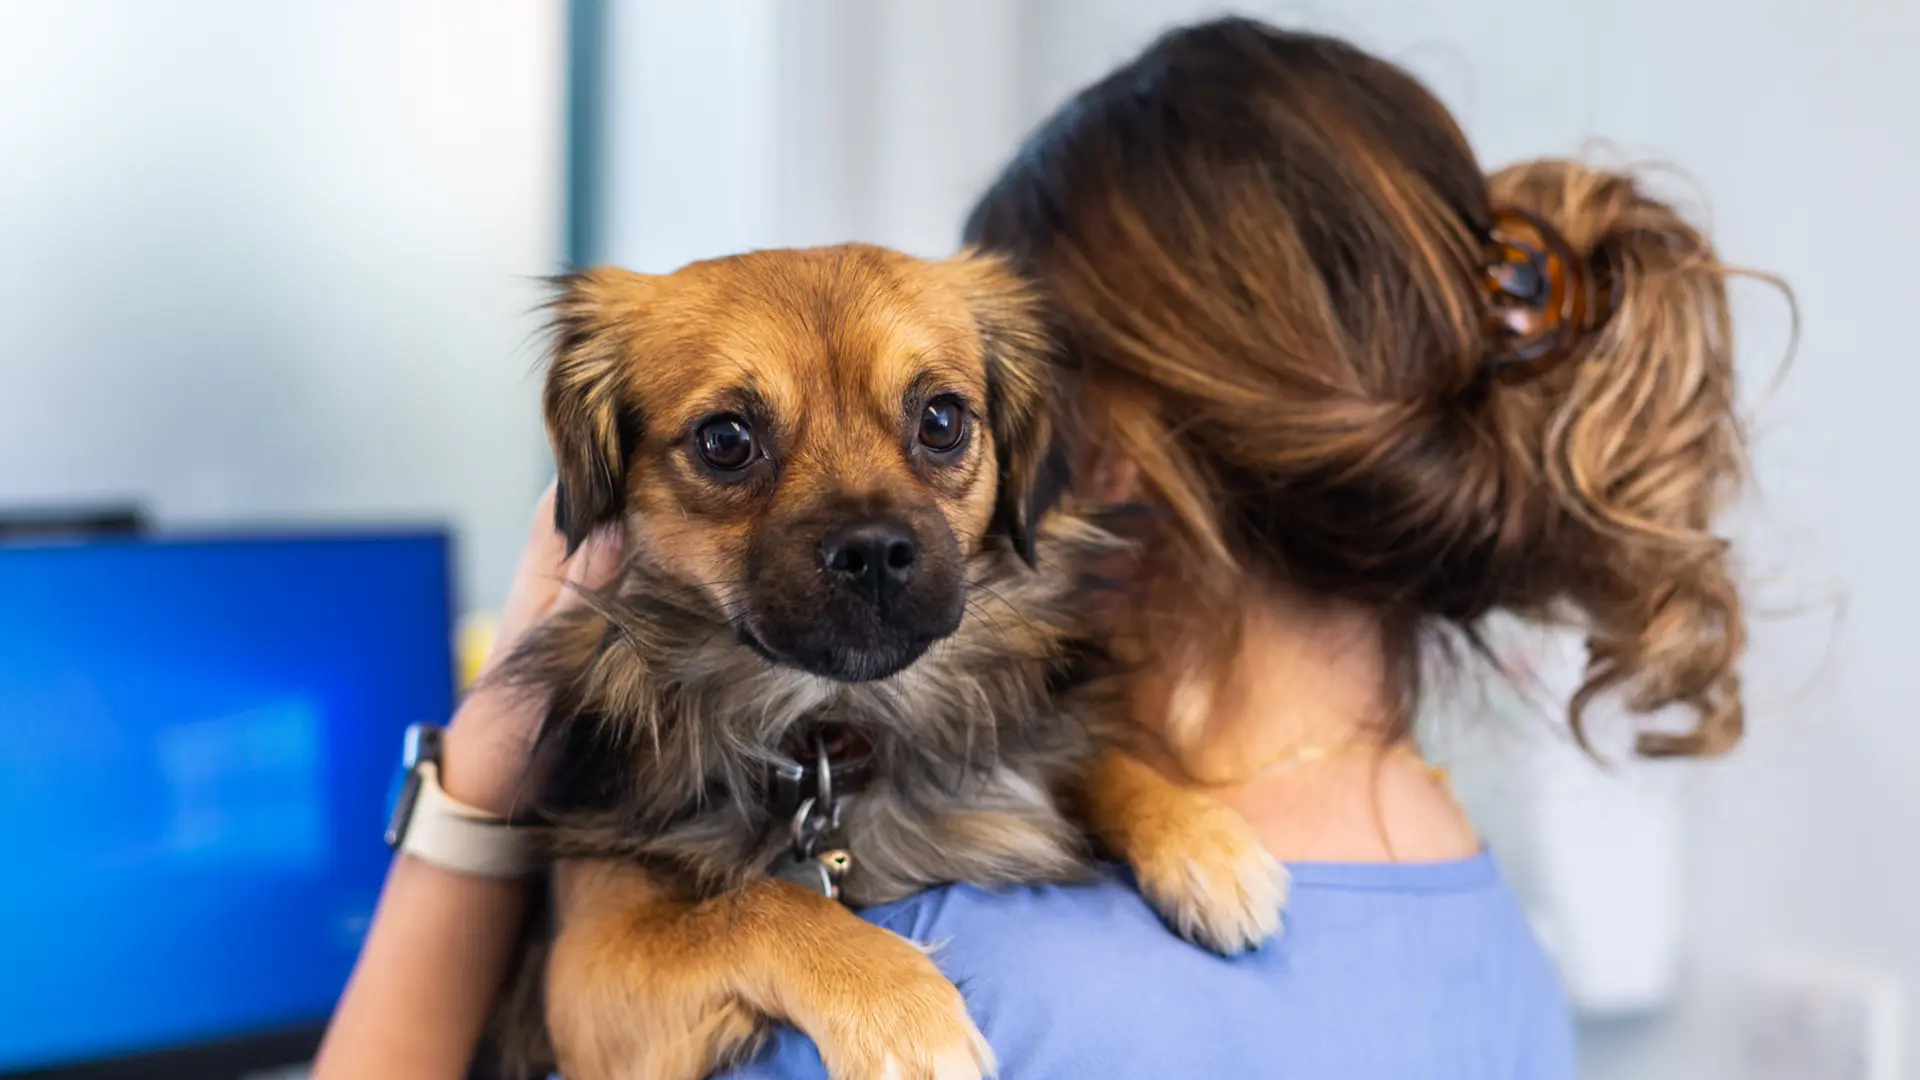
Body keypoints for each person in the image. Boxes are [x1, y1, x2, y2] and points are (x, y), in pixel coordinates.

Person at [318, 17, 1763, 1080]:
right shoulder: (1504, 948)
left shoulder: (931, 1000)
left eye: (939, 424)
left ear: (1084, 437)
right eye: (735, 445)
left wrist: (475, 796)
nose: (872, 519)